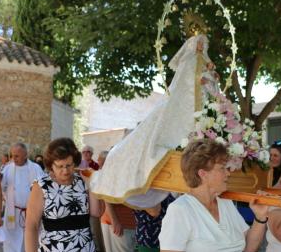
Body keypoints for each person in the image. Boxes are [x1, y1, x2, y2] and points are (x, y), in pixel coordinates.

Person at [91, 33, 218, 204]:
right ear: (193, 44)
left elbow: (211, 85)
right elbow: (185, 79)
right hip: (186, 101)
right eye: (199, 42)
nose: (202, 46)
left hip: (203, 104)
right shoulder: (189, 60)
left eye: (204, 43)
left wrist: (212, 76)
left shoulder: (206, 61)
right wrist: (201, 78)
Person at [1, 143, 44, 252]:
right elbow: (1, 186)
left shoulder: (35, 168)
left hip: (31, 212)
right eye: (12, 155)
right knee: (11, 242)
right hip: (13, 211)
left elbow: (43, 188)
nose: (14, 158)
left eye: (17, 155)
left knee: (31, 241)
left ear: (25, 154)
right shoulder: (7, 169)